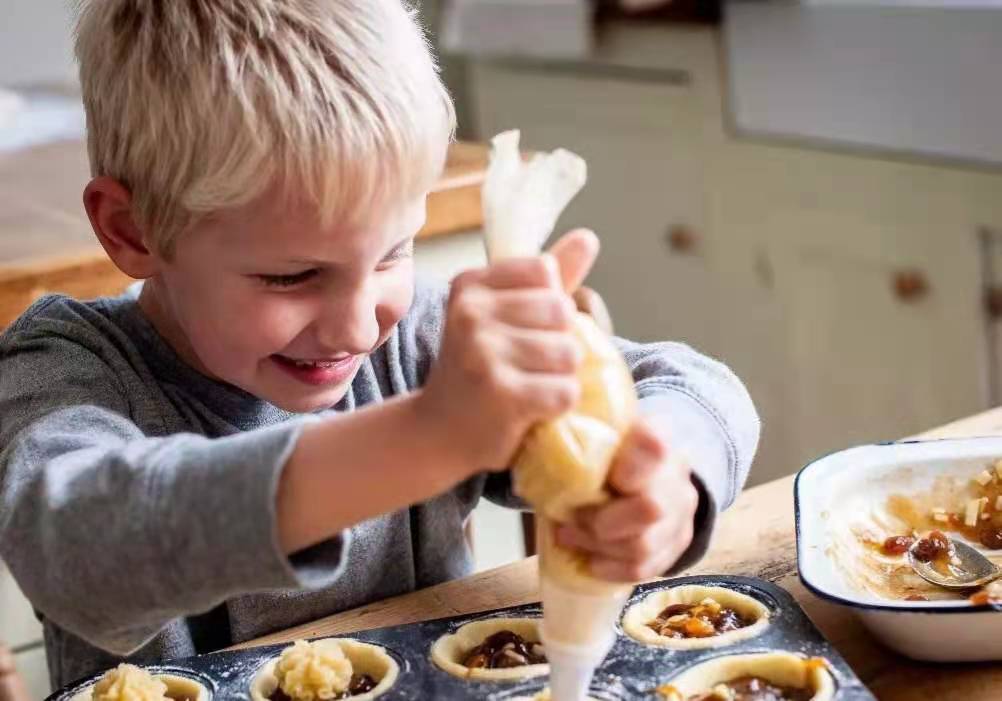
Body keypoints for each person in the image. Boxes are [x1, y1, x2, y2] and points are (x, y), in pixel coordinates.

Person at [0, 0, 760, 690]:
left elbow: (697, 383)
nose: (359, 328)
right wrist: (430, 434)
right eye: (293, 276)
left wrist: (665, 474)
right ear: (133, 231)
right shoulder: (65, 369)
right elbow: (83, 551)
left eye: (396, 252)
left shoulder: (418, 338)